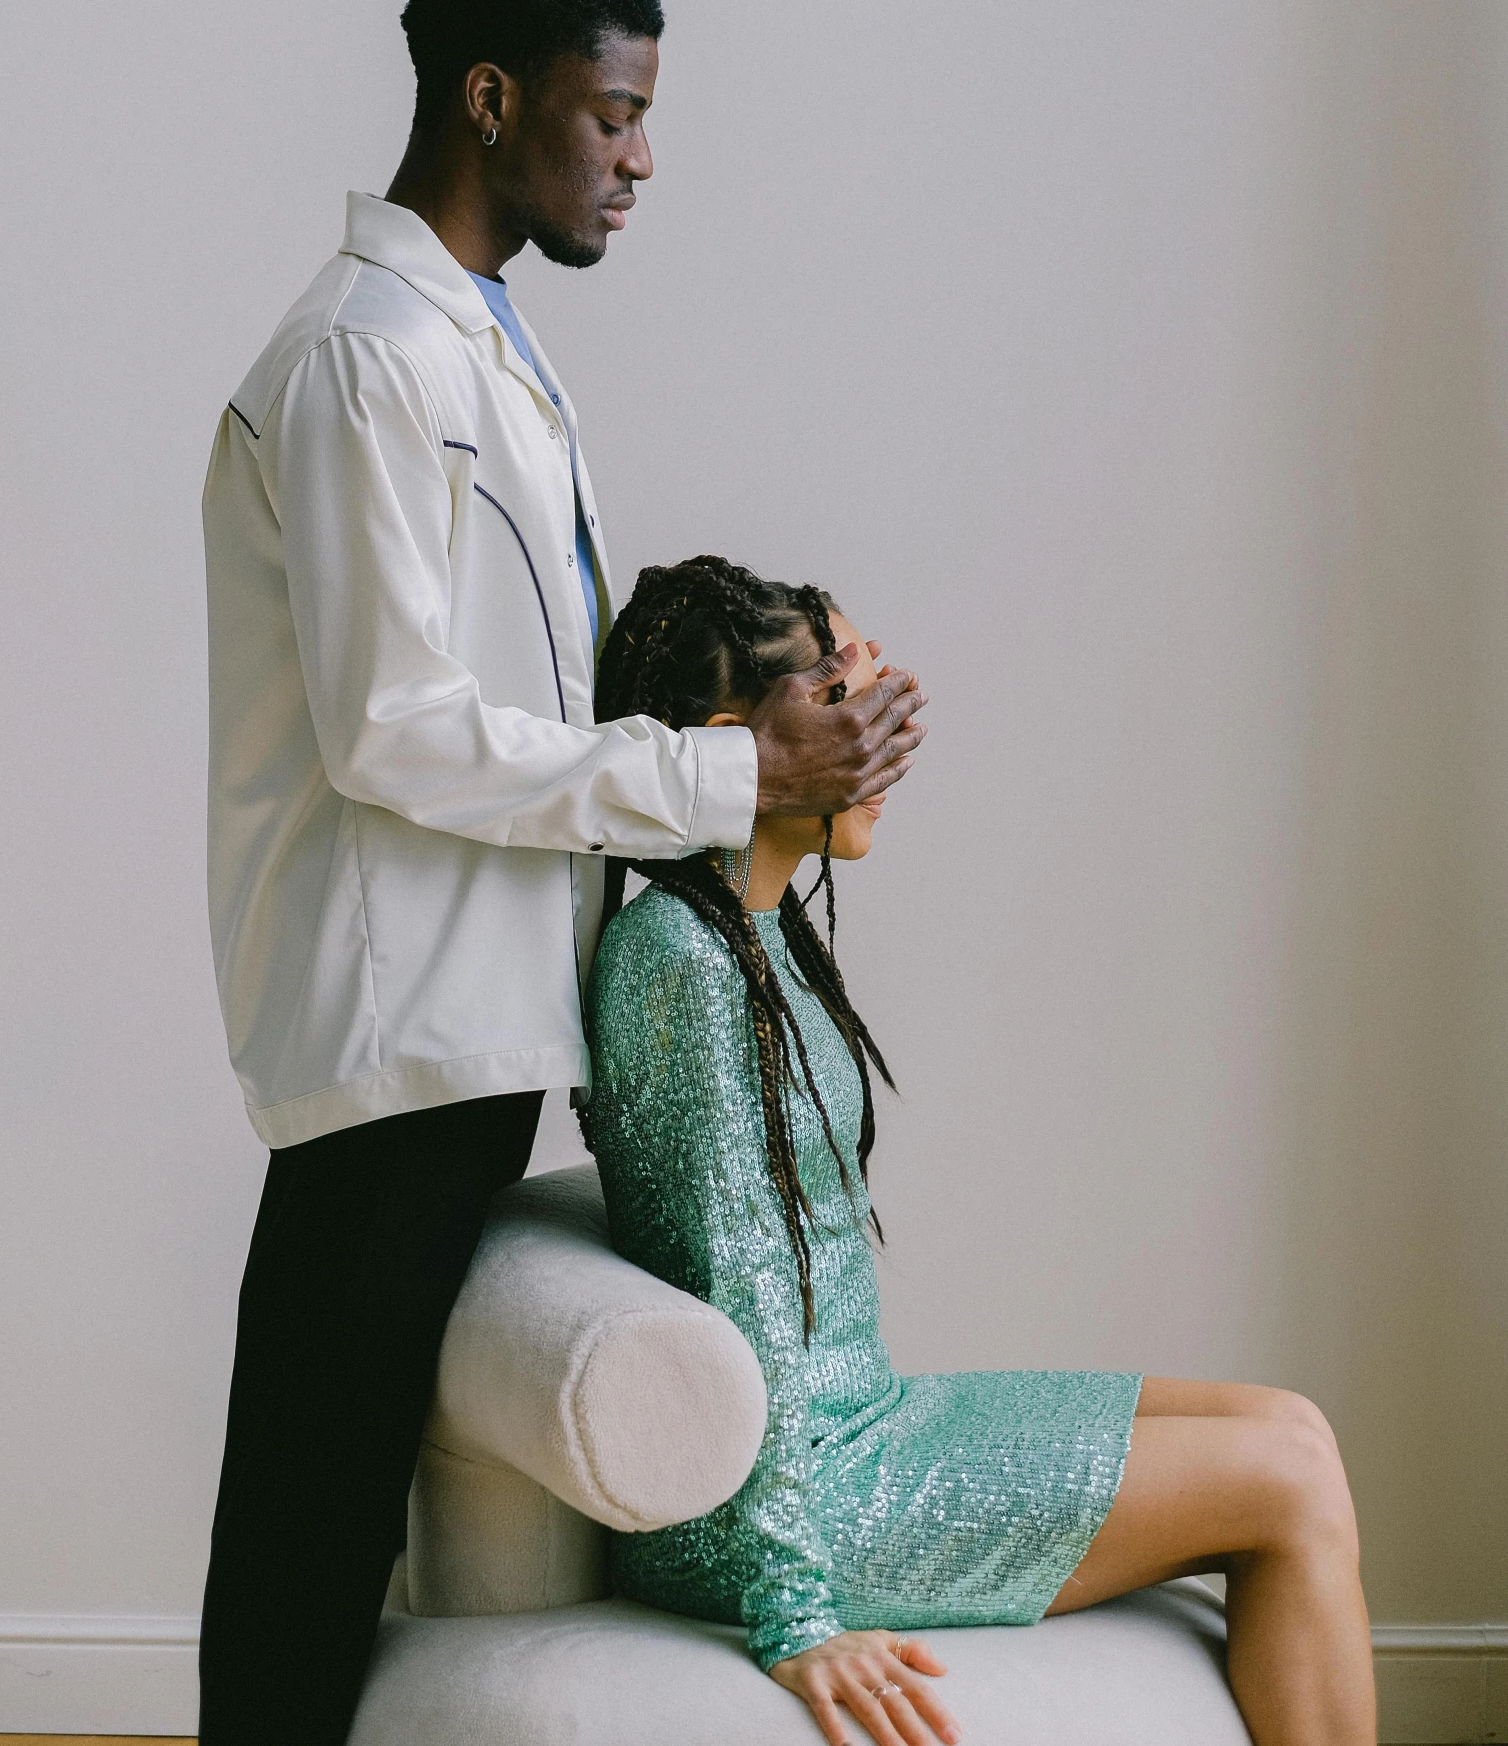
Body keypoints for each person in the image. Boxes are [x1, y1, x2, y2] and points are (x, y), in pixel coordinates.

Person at [197, 0, 927, 1746]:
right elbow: (397, 730)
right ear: (491, 94)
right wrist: (729, 776)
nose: (640, 156)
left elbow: (545, 701)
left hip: (476, 1009)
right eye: (613, 113)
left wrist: (787, 753)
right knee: (306, 1521)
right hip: (398, 1027)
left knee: (338, 1514)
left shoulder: (486, 354)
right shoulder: (369, 361)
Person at [583, 555, 1378, 1746]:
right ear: (731, 741)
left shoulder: (756, 929)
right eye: (849, 698)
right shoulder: (680, 961)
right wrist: (794, 1611)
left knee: (1291, 1426)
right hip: (794, 1499)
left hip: (864, 1423)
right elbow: (745, 1290)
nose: (890, 737)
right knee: (1292, 1485)